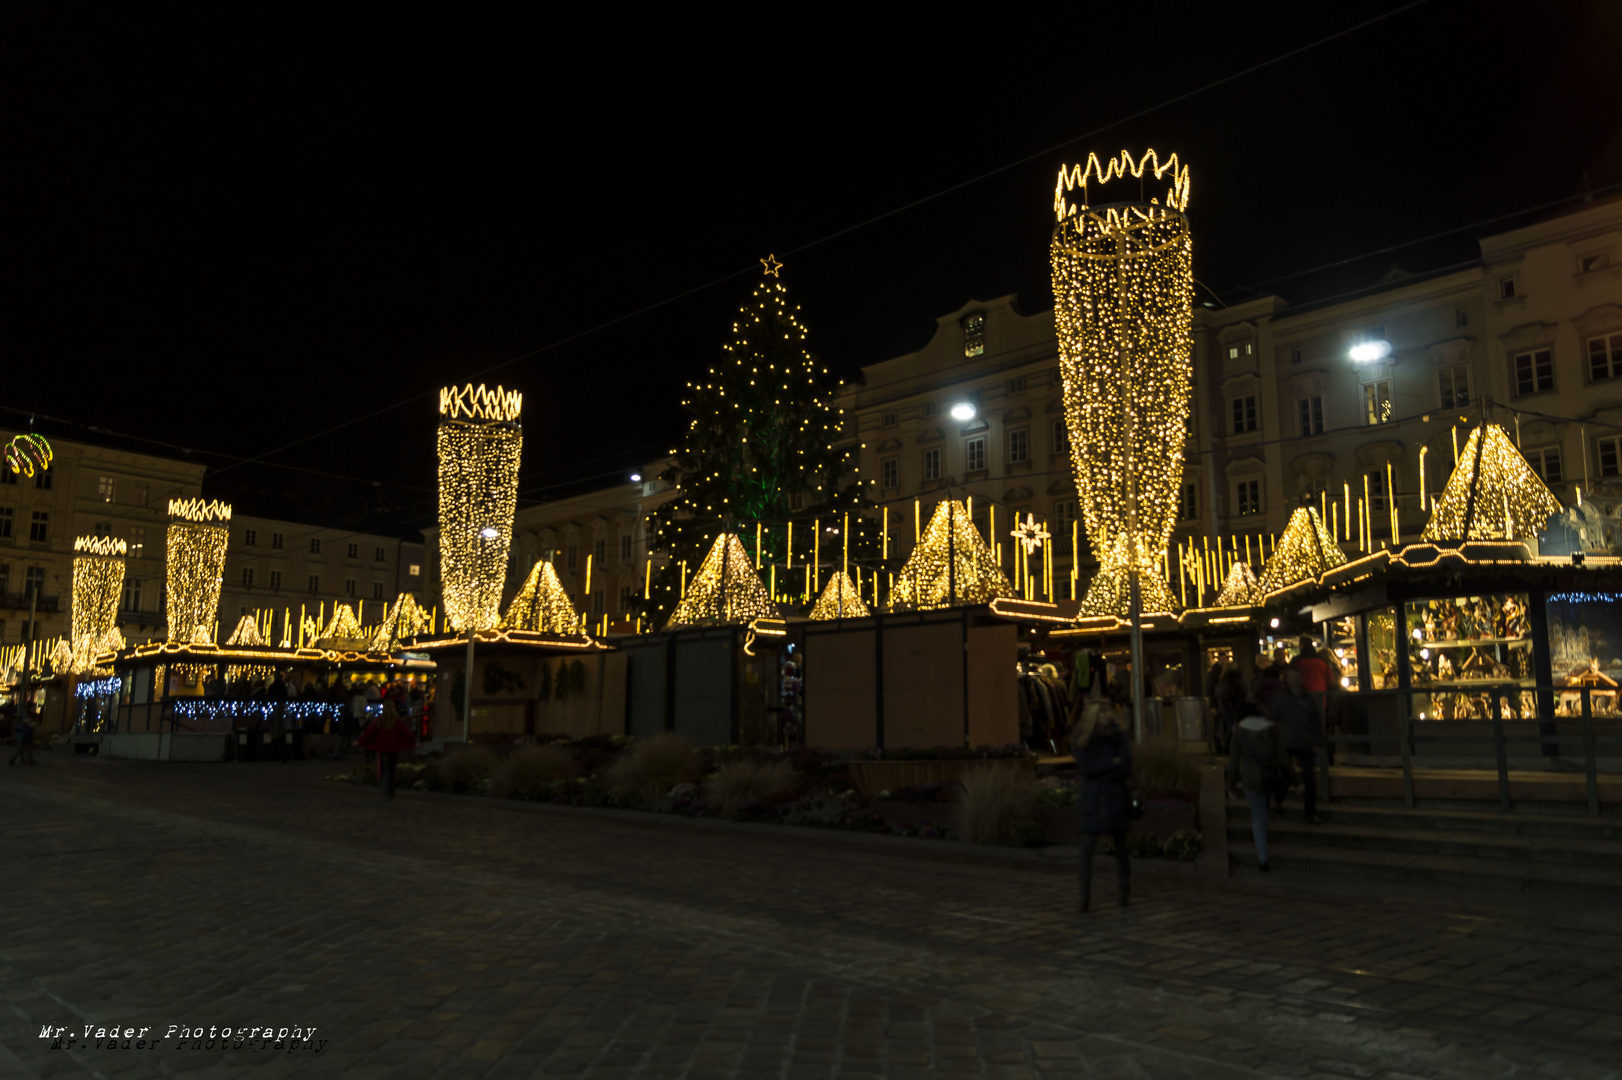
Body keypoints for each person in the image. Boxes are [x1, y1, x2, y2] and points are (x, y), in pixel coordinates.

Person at [1073, 699, 1133, 912]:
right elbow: (1087, 767)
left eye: (1108, 710)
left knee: (1121, 848)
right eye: (1103, 711)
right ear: (1094, 716)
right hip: (1094, 799)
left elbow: (1126, 765)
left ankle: (1124, 892)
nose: (1108, 714)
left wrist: (1106, 767)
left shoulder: (1118, 737)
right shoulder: (1084, 740)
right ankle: (1084, 897)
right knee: (1087, 850)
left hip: (1115, 795)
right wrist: (1111, 762)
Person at [1227, 701, 1294, 872]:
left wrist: (1231, 786)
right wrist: (1295, 780)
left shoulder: (1239, 732)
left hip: (1250, 778)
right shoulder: (1272, 730)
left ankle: (1262, 858)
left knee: (1257, 818)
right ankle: (1263, 848)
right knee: (1262, 813)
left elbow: (1234, 761)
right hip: (1269, 777)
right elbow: (1283, 758)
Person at [1272, 668, 1327, 823]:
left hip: (1304, 742)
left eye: (1297, 677)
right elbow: (1273, 719)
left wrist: (1319, 742)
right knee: (1285, 775)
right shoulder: (1282, 698)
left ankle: (1310, 813)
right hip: (1287, 741)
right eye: (1291, 677)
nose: (1294, 680)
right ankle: (1277, 801)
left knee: (1309, 780)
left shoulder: (1307, 698)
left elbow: (1315, 721)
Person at [358, 700, 416, 799]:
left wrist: (360, 741)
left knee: (385, 771)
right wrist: (414, 742)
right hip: (393, 749)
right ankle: (391, 792)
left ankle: (386, 792)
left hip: (383, 748)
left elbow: (369, 732)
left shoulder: (379, 720)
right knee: (392, 771)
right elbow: (406, 732)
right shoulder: (397, 721)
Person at [1214, 664, 1247, 756]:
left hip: (1226, 708)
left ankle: (1226, 747)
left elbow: (1220, 694)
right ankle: (1231, 747)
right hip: (1234, 707)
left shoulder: (1222, 681)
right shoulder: (1237, 680)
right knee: (1232, 726)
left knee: (1227, 727)